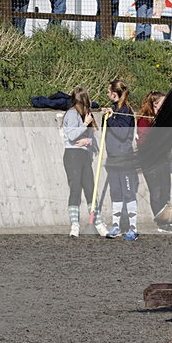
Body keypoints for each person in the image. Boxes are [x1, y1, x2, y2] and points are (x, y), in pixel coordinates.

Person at [62, 87, 107, 238]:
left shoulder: (86, 114)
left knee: (90, 189)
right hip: (72, 155)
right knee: (75, 188)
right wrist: (84, 124)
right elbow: (71, 135)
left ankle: (98, 222)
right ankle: (74, 224)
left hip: (84, 156)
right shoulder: (72, 114)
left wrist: (88, 140)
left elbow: (91, 139)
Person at [102, 80, 139, 240]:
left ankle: (133, 228)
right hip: (113, 158)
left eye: (109, 91)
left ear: (115, 93)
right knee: (116, 192)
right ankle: (116, 225)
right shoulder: (116, 110)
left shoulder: (126, 110)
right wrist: (110, 114)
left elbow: (123, 133)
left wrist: (110, 118)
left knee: (128, 192)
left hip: (124, 158)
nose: (107, 94)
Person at [136, 91, 172, 231]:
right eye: (163, 103)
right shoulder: (144, 120)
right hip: (149, 160)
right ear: (155, 104)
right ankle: (161, 222)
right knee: (156, 191)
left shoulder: (163, 118)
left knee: (166, 190)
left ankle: (167, 219)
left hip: (162, 158)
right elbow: (144, 141)